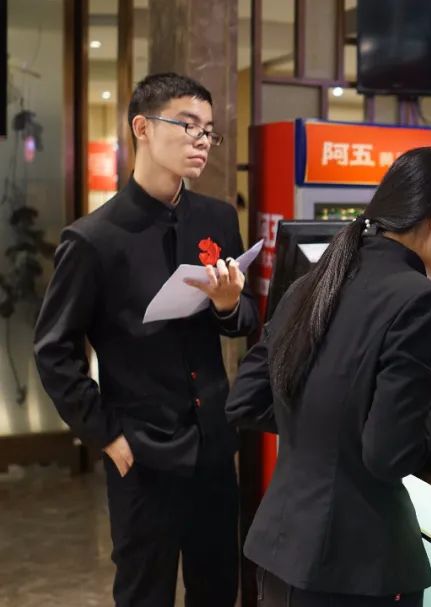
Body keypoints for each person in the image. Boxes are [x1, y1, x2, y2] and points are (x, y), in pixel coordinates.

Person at [225, 147, 431, 606]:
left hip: (281, 549)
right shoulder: (421, 300)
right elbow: (390, 455)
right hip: (356, 567)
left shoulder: (314, 281)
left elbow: (246, 398)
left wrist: (323, 432)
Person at [34, 72, 256, 605]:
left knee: (217, 587)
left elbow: (245, 318)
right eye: (187, 125)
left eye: (208, 130)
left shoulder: (217, 218)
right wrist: (106, 434)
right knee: (144, 593)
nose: (201, 140)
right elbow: (54, 350)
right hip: (142, 450)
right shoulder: (93, 239)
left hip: (213, 443)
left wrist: (229, 305)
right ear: (142, 127)